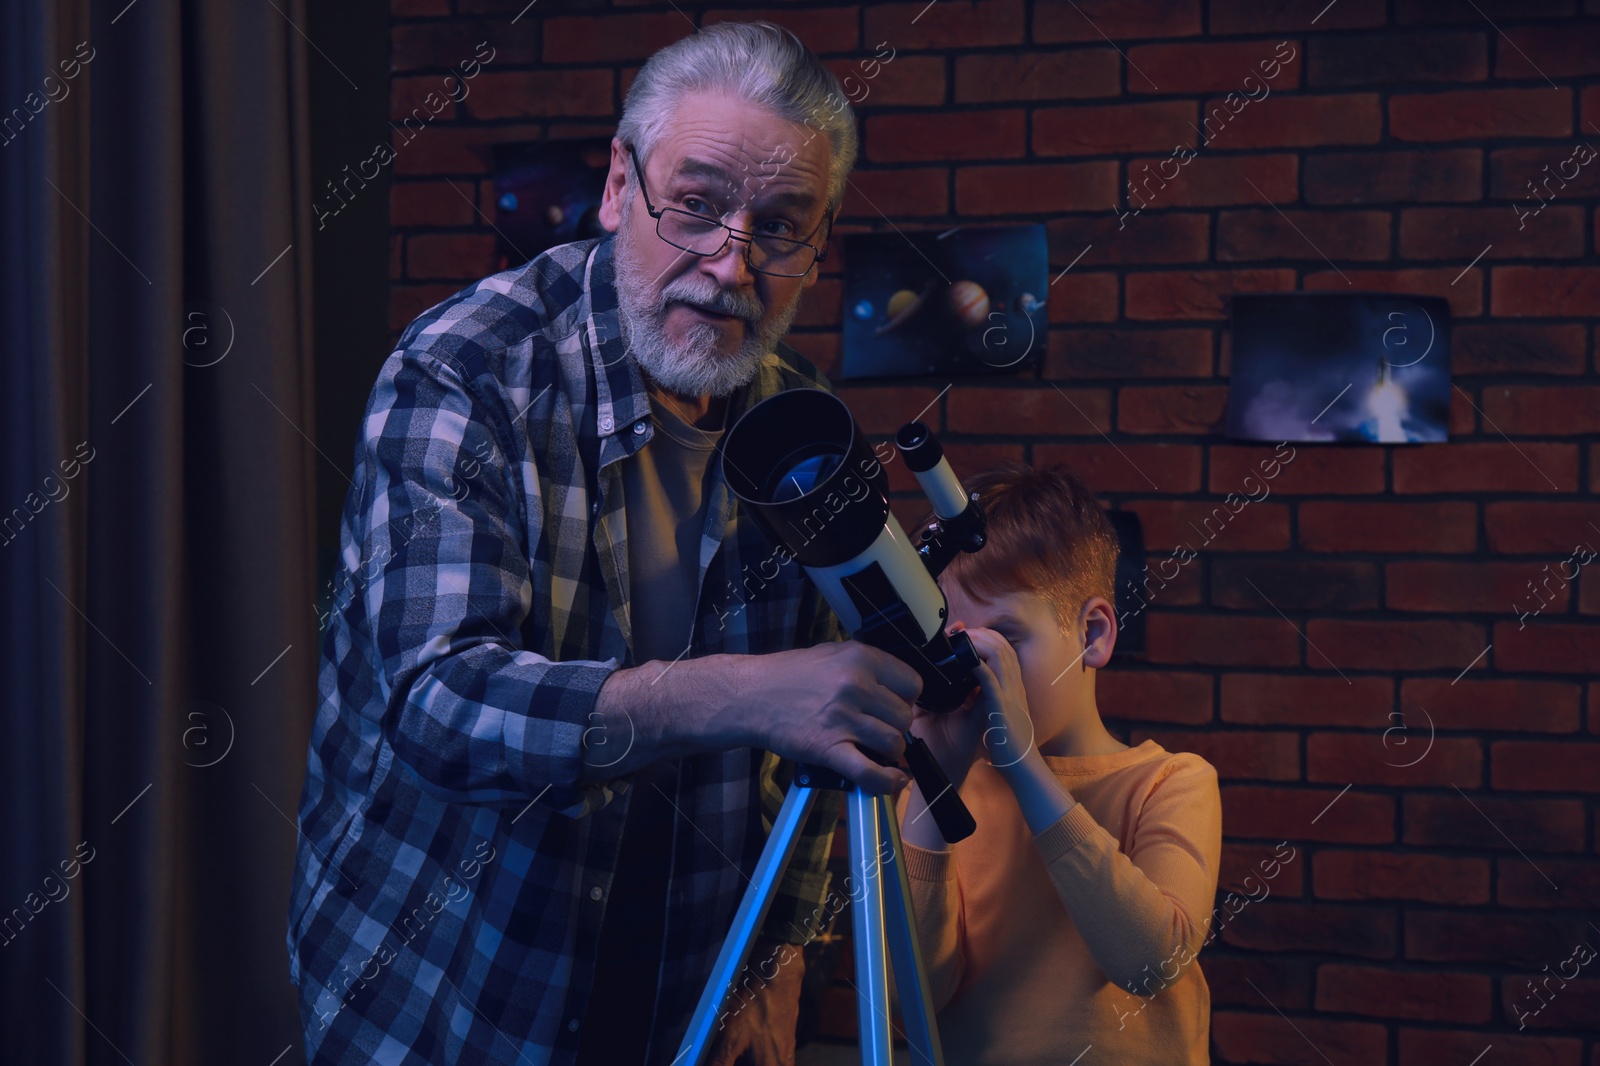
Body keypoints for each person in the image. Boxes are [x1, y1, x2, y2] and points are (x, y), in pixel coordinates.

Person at [287, 22, 923, 1066]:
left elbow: (826, 734)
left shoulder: (804, 425)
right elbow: (438, 705)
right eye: (698, 205)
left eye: (781, 226)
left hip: (679, 993)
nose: (732, 263)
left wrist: (778, 965)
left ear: (819, 244)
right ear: (620, 187)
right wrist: (749, 689)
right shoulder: (466, 371)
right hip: (437, 991)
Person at [897, 461, 1223, 1064]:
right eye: (956, 647)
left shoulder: (1171, 782)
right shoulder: (943, 799)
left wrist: (1024, 765)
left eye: (1006, 639)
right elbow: (906, 999)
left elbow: (1150, 963)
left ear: (1093, 634)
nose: (977, 670)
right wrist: (930, 789)